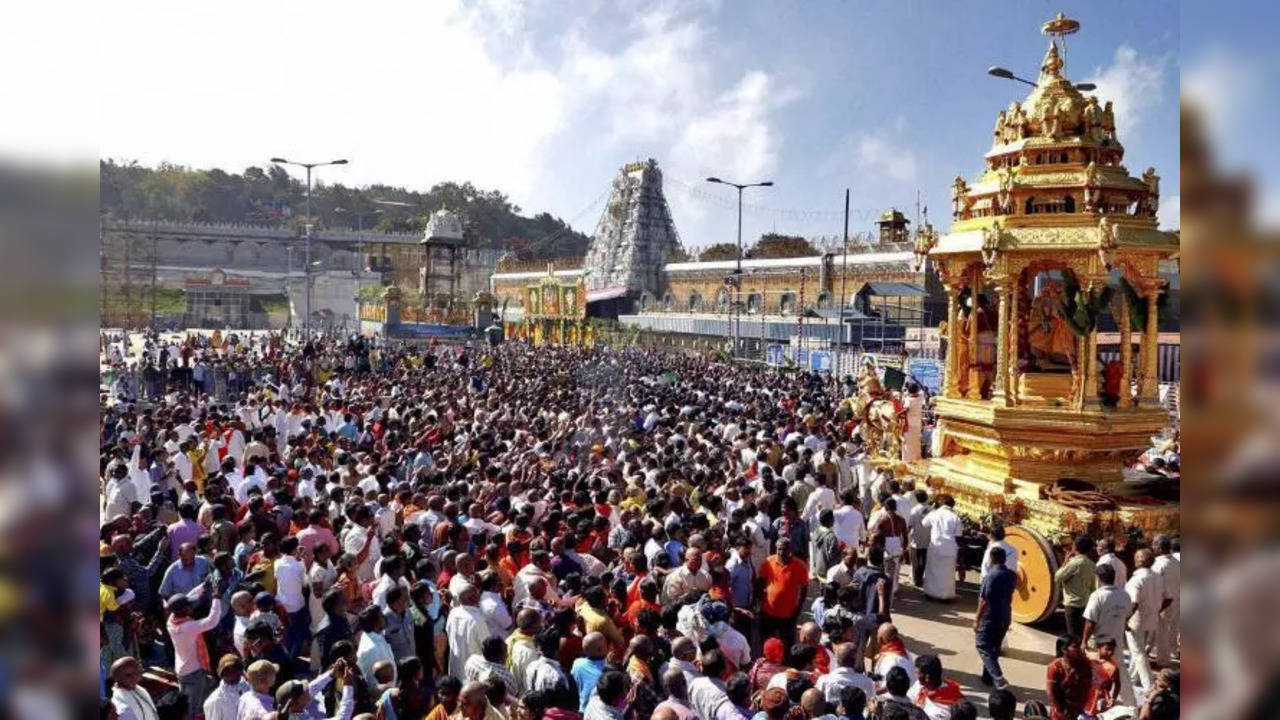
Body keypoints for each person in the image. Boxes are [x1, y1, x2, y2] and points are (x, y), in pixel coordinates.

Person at [973, 546, 1015, 690]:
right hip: (1005, 616)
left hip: (990, 617)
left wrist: (977, 619)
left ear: (991, 559)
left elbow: (984, 600)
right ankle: (987, 677)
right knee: (994, 648)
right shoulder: (1011, 575)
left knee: (982, 645)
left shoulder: (990, 576)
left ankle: (998, 677)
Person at [1124, 548, 1166, 696]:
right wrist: (1156, 610)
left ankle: (1149, 686)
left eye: (1136, 557)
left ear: (1139, 561)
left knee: (1138, 652)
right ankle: (1132, 677)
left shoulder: (1137, 580)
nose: (1134, 560)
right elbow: (1168, 598)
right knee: (1139, 651)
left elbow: (1133, 603)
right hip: (1152, 619)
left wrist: (1125, 619)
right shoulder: (1158, 577)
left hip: (1137, 621)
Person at [758, 538, 809, 649]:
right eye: (779, 549)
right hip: (768, 612)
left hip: (788, 614)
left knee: (787, 644)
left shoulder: (800, 566)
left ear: (790, 550)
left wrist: (798, 609)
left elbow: (804, 589)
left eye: (784, 549)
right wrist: (759, 601)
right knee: (767, 642)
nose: (781, 552)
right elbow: (761, 582)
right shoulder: (768, 562)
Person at [1054, 536, 1097, 641]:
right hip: (1084, 603)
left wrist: (1065, 562)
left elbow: (1058, 577)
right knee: (1079, 635)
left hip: (1072, 604)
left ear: (1075, 547)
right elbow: (1092, 587)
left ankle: (1073, 656)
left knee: (1072, 636)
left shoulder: (1074, 563)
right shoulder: (1092, 565)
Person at [919, 497, 960, 601]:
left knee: (932, 570)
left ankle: (931, 593)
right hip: (950, 549)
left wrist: (930, 507)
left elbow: (923, 522)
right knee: (947, 574)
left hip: (935, 547)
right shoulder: (955, 517)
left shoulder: (935, 513)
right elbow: (958, 536)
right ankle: (946, 595)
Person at [1046, 635, 1092, 720]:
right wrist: (1060, 711)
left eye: (1079, 645)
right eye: (1075, 646)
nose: (1079, 649)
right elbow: (1051, 692)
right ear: (1064, 650)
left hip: (1080, 708)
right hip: (1061, 709)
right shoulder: (1055, 667)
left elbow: (1088, 687)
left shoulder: (1085, 665)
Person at [1151, 536, 1180, 668]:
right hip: (1175, 600)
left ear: (1159, 547)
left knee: (1161, 631)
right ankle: (1160, 656)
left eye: (1154, 544)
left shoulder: (1159, 564)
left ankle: (1162, 661)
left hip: (1163, 602)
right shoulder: (1176, 562)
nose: (1152, 547)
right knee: (1167, 630)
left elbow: (1154, 584)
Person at [907, 655, 963, 720]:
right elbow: (908, 699)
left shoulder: (944, 708)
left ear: (927, 677)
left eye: (918, 673)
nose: (915, 676)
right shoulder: (920, 685)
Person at [571, 632, 608, 713]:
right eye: (606, 644)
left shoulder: (577, 663)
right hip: (600, 714)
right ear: (600, 649)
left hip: (582, 710)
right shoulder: (608, 669)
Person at [204, 655, 249, 720]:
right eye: (228, 671)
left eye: (235, 670)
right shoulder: (215, 701)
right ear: (221, 674)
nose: (232, 674)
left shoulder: (251, 690)